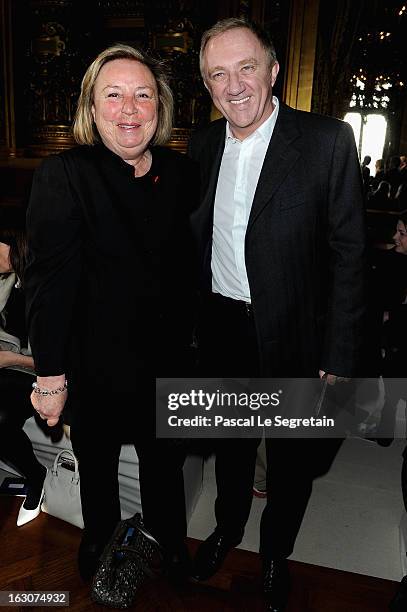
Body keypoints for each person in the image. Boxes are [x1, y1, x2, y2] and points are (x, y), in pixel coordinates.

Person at [188, 18, 366, 611]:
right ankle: (226, 529)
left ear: (273, 70)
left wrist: (337, 358)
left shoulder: (325, 141)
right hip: (222, 332)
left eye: (245, 68)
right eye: (217, 73)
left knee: (288, 462)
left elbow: (349, 257)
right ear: (207, 84)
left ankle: (273, 555)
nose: (233, 84)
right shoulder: (204, 143)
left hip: (295, 338)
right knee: (233, 449)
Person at [25, 44, 198, 583]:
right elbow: (47, 285)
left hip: (167, 361)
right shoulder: (66, 174)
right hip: (96, 362)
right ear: (92, 108)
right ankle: (99, 541)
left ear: (159, 107)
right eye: (114, 95)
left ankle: (169, 548)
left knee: (165, 468)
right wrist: (51, 376)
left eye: (143, 95)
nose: (130, 109)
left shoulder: (181, 171)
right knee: (98, 470)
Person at [0, 207, 48, 527]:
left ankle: (36, 476)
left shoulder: (45, 289)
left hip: (37, 372)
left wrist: (12, 359)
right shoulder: (4, 282)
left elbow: (63, 358)